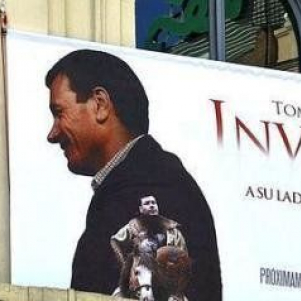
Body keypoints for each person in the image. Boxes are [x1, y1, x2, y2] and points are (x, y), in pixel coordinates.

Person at [45, 49, 221, 299]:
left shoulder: (150, 187)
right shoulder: (141, 184)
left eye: (59, 112)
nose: (52, 134)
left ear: (100, 104)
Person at [111, 196, 190, 300]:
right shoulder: (133, 227)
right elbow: (115, 240)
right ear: (141, 209)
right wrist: (125, 264)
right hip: (141, 276)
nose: (151, 205)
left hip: (166, 276)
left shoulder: (172, 231)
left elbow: (183, 256)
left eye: (153, 203)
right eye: (147, 203)